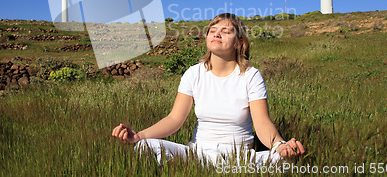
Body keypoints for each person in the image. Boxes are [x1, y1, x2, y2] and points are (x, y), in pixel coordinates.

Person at [112, 13, 305, 167]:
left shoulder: (251, 76)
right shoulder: (193, 73)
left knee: (285, 162)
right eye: (212, 30)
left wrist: (280, 146)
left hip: (239, 159)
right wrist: (139, 136)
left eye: (226, 31)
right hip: (197, 155)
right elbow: (174, 119)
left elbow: (262, 123)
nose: (217, 34)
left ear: (239, 42)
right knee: (144, 147)